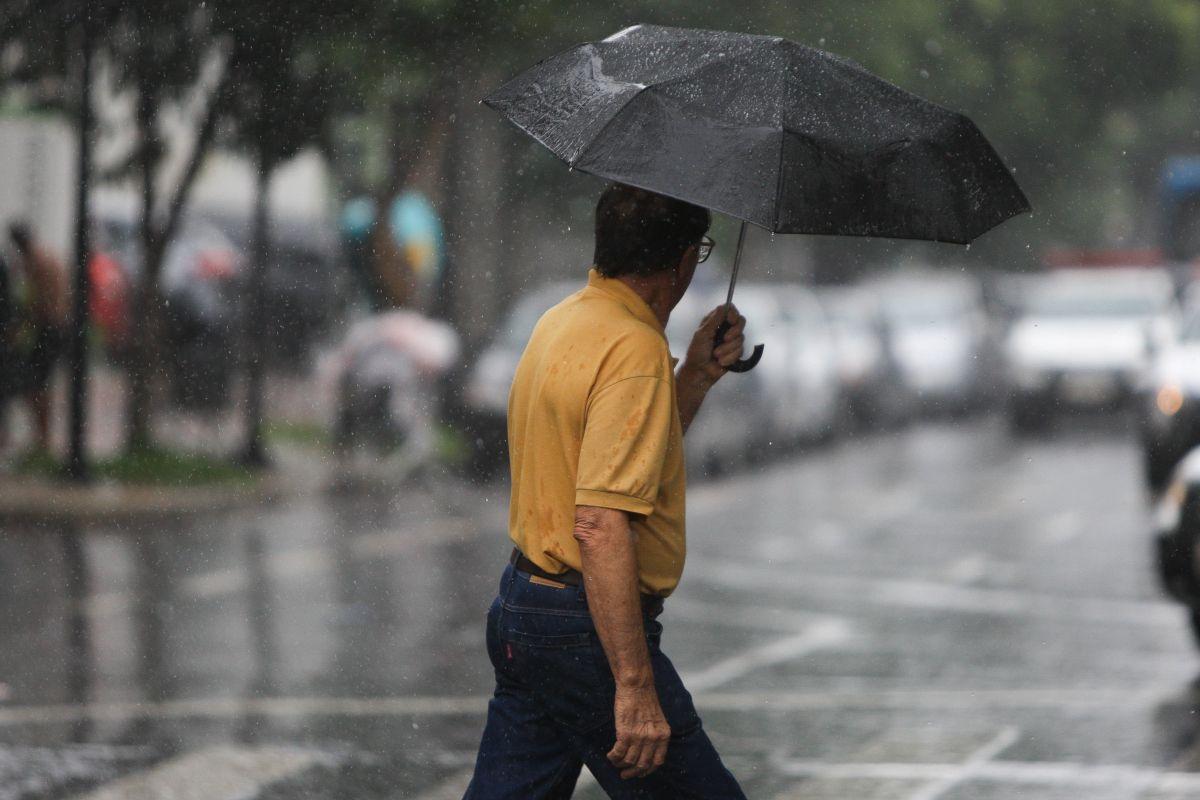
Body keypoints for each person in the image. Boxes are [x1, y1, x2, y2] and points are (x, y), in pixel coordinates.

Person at [464, 184, 749, 799]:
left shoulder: (562, 322)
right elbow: (598, 520)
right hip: (581, 629)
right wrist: (633, 685)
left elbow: (624, 460)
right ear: (679, 260)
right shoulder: (635, 350)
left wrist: (695, 374)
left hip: (523, 604)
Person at [9, 222, 69, 454]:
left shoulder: (35, 262)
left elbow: (38, 303)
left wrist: (21, 327)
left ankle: (43, 439)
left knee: (36, 384)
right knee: (38, 384)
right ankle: (42, 438)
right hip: (55, 328)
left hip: (49, 329)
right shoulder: (46, 256)